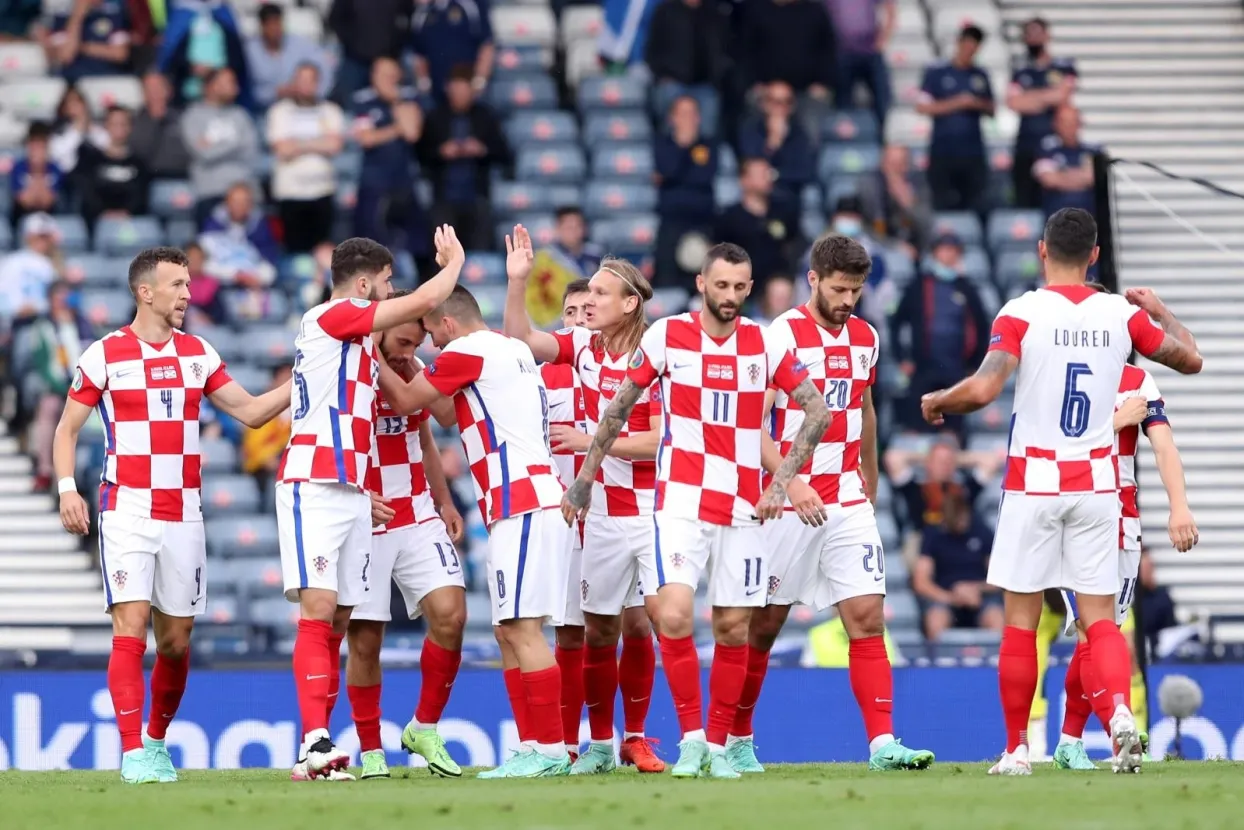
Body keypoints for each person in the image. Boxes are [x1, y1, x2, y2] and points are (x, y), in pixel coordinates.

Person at [919, 207, 1204, 775]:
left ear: (1042, 251)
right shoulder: (1122, 316)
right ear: (1095, 255)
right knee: (1100, 619)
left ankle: (1016, 750)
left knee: (1022, 621)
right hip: (1100, 484)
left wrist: (939, 401)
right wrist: (1160, 311)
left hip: (1034, 481)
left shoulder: (1021, 312)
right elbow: (1191, 359)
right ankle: (1121, 711)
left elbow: (983, 389)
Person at [562, 242, 831, 779]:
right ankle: (691, 742)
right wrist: (585, 481)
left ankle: (718, 743)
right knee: (675, 614)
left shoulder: (764, 342)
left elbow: (817, 409)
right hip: (679, 503)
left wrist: (780, 483)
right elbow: (617, 410)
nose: (730, 296)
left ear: (749, 289)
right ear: (703, 284)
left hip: (743, 509)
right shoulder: (667, 336)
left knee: (733, 628)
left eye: (740, 287)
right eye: (721, 285)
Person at [51, 246, 294, 784]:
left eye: (188, 284)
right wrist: (69, 488)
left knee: (176, 641)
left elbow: (252, 413)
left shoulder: (198, 353)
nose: (188, 293)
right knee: (130, 627)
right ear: (146, 292)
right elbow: (66, 429)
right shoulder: (105, 354)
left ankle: (156, 740)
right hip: (127, 507)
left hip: (184, 512)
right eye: (179, 285)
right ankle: (133, 751)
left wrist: (304, 385)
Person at [726, 233, 933, 773]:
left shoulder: (866, 336)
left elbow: (863, 409)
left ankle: (884, 743)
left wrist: (870, 478)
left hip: (844, 498)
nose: (847, 301)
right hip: (788, 501)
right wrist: (790, 483)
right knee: (763, 627)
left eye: (856, 291)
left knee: (867, 618)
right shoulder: (779, 337)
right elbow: (750, 424)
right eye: (839, 289)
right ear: (813, 279)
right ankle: (738, 739)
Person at [274, 230, 466, 782]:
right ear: (363, 286)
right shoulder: (329, 317)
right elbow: (425, 301)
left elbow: (420, 406)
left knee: (335, 616)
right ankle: (315, 742)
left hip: (352, 489)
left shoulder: (360, 345)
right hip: (314, 479)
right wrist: (451, 265)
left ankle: (326, 747)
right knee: (322, 613)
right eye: (384, 284)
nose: (388, 293)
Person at [371, 282, 574, 780]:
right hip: (529, 500)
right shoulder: (509, 349)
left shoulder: (466, 351)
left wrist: (364, 350)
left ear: (447, 324)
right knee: (510, 631)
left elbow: (404, 401)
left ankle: (550, 749)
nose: (430, 349)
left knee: (523, 629)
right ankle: (533, 746)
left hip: (522, 502)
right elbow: (442, 409)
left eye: (431, 338)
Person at [503, 241, 665, 775]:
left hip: (651, 506)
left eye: (597, 293)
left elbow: (661, 441)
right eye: (583, 295)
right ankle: (596, 742)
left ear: (628, 303)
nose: (587, 302)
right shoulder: (581, 349)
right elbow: (521, 339)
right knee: (596, 631)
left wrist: (590, 439)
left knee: (645, 625)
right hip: (594, 513)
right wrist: (518, 280)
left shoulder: (656, 357)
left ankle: (639, 737)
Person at [1053, 307, 1197, 771]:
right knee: (1100, 632)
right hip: (1072, 515)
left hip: (1123, 519)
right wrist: (1113, 424)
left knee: (1098, 636)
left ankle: (1071, 741)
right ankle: (1119, 722)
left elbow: (1163, 444)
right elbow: (1043, 445)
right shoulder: (1057, 374)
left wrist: (1179, 506)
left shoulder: (1137, 379)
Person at [345, 297, 468, 782]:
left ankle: (425, 726)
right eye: (404, 341)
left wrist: (445, 501)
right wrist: (353, 497)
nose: (411, 350)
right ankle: (371, 750)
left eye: (418, 343)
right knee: (366, 641)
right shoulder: (348, 368)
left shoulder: (411, 368)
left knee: (452, 615)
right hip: (365, 519)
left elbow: (434, 426)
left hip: (416, 513)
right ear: (382, 328)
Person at [536, 279, 592, 760]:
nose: (576, 320)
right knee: (570, 632)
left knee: (628, 627)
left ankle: (621, 738)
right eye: (570, 312)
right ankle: (569, 742)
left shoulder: (626, 368)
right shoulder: (539, 374)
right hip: (564, 519)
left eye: (585, 311)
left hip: (617, 510)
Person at [418, 64, 510, 252]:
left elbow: (504, 153)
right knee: (444, 254)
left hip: (477, 196)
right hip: (444, 197)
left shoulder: (486, 116)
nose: (459, 95)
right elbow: (420, 154)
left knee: (479, 251)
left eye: (464, 89)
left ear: (472, 90)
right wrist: (441, 152)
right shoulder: (435, 117)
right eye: (456, 89)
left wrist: (481, 150)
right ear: (448, 89)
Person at [351, 57, 426, 264]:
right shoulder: (362, 100)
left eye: (391, 75)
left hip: (404, 181)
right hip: (373, 182)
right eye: (382, 75)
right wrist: (397, 128)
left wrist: (395, 102)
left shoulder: (408, 97)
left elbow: (412, 133)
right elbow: (366, 138)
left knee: (415, 244)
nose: (386, 80)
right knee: (370, 246)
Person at [266, 62, 345, 253]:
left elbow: (334, 145)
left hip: (323, 190)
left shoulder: (331, 111)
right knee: (294, 253)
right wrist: (318, 143)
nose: (306, 85)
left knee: (324, 252)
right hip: (291, 193)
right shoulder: (279, 112)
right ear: (294, 82)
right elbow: (282, 149)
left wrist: (297, 144)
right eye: (301, 80)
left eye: (311, 80)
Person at [916, 25, 994, 213]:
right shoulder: (937, 73)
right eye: (967, 43)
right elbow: (923, 106)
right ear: (959, 43)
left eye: (974, 45)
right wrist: (957, 103)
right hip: (943, 150)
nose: (970, 49)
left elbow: (991, 108)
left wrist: (974, 103)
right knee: (942, 203)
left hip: (973, 152)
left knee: (975, 204)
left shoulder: (980, 75)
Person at [1007, 18, 1077, 210]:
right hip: (1026, 143)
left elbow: (1063, 95)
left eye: (1037, 33)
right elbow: (1014, 102)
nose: (1033, 39)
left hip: (1054, 142)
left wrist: (1030, 97)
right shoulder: (1020, 69)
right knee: (1024, 200)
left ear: (1047, 35)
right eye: (1029, 34)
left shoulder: (1063, 67)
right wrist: (1047, 95)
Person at [913, 491, 1001, 641]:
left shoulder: (982, 531)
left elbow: (999, 578)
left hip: (980, 596)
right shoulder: (933, 535)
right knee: (935, 622)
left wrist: (975, 589)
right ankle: (936, 662)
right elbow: (921, 582)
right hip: (945, 596)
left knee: (998, 621)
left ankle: (997, 663)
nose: (962, 522)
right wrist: (952, 597)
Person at [182, 68, 261, 226]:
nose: (236, 88)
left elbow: (251, 152)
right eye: (230, 82)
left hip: (244, 193)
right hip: (210, 194)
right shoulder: (193, 116)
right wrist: (235, 143)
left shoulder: (241, 115)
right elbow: (204, 153)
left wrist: (215, 146)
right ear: (212, 86)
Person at [713, 157, 801, 290]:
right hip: (743, 287)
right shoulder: (729, 218)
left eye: (768, 173)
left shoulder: (784, 211)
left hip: (778, 285)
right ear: (744, 180)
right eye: (761, 174)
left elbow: (794, 243)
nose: (768, 177)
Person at [75, 105, 149, 228]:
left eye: (123, 124)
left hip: (130, 225)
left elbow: (140, 197)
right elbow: (89, 195)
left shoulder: (139, 164)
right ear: (106, 126)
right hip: (98, 224)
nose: (119, 128)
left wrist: (125, 213)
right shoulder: (91, 161)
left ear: (130, 127)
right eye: (114, 124)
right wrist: (105, 213)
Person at [246, 3, 329, 110]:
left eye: (277, 23)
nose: (275, 29)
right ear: (262, 26)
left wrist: (308, 91)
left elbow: (324, 70)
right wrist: (275, 93)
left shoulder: (301, 44)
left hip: (304, 106)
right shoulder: (250, 51)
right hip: (263, 111)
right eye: (270, 25)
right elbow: (249, 90)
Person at [826, 0, 894, 132]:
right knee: (842, 103)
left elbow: (889, 7)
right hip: (841, 53)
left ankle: (881, 137)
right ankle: (845, 140)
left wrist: (883, 38)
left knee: (882, 99)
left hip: (870, 52)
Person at [410, 0, 494, 102]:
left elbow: (486, 45)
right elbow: (419, 52)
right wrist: (423, 81)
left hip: (469, 91)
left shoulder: (471, 5)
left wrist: (480, 81)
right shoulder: (423, 11)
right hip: (436, 92)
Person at [1034, 104, 1096, 220]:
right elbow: (1049, 180)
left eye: (1072, 122)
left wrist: (1062, 174)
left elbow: (1093, 178)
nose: (1069, 127)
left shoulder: (1092, 150)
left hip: (1089, 220)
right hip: (1055, 222)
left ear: (1079, 124)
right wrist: (1081, 176)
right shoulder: (1046, 149)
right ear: (1055, 124)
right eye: (1064, 122)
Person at [46, 0, 133, 83]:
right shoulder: (62, 19)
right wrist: (77, 16)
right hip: (73, 80)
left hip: (108, 77)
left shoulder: (115, 16)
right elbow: (65, 56)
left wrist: (80, 47)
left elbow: (120, 54)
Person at [130, 72, 191, 181]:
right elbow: (138, 152)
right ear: (143, 93)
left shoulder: (185, 116)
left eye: (159, 87)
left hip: (183, 177)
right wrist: (155, 121)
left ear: (169, 90)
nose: (155, 92)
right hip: (148, 179)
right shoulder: (135, 120)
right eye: (150, 88)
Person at [10, 122, 65, 227]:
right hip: (23, 219)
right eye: (34, 148)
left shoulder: (55, 169)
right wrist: (36, 171)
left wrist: (39, 170)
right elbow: (25, 201)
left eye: (41, 148)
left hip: (50, 220)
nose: (37, 152)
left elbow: (47, 202)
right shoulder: (18, 168)